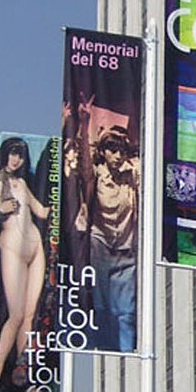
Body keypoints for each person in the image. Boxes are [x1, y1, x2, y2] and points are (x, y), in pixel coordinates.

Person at [0, 137, 50, 391]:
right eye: (12, 154)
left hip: (35, 246)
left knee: (29, 315)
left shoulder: (23, 183)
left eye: (20, 155)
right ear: (5, 155)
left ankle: (21, 371)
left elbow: (41, 211)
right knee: (15, 315)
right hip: (13, 246)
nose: (16, 160)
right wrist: (3, 206)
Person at [75, 125, 140, 351]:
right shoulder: (96, 175)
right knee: (102, 308)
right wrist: (84, 123)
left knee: (127, 312)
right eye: (112, 150)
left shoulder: (131, 174)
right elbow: (84, 165)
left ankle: (127, 357)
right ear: (103, 152)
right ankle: (105, 351)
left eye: (121, 151)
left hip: (126, 249)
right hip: (101, 245)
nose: (118, 156)